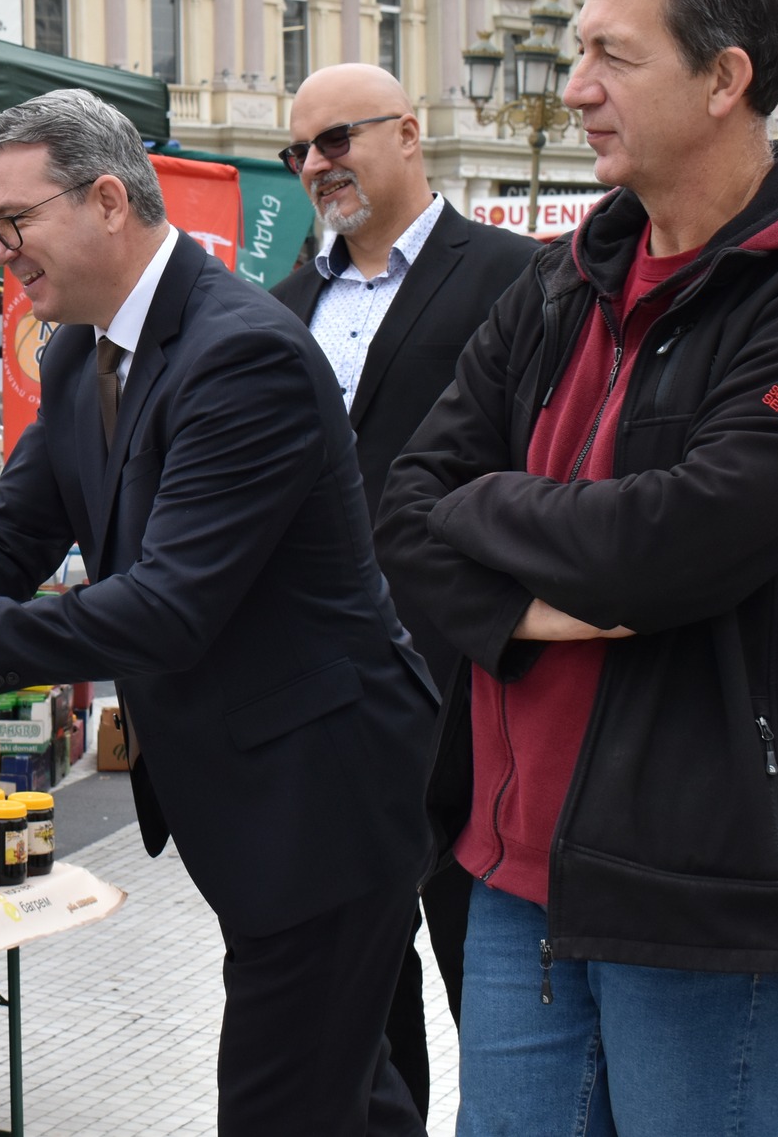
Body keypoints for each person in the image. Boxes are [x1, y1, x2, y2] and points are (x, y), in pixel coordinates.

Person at [0, 88, 440, 1137]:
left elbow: (166, 609)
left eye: (13, 224)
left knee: (286, 1102)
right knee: (353, 1086)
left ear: (108, 201)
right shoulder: (83, 347)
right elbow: (11, 534)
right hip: (259, 785)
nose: (0, 255)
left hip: (320, 790)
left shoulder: (239, 354)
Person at [376, 0, 778, 1133]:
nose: (576, 87)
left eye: (611, 56)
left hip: (701, 884)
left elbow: (672, 547)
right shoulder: (566, 275)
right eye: (574, 54)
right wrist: (555, 593)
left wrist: (491, 509)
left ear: (723, 79)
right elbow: (405, 509)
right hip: (511, 877)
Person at [271, 63, 538, 1115]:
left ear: (409, 134)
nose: (314, 166)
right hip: (323, 708)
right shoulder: (283, 303)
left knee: (499, 992)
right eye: (297, 152)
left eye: (335, 138)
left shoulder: (516, 276)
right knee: (360, 1010)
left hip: (468, 690)